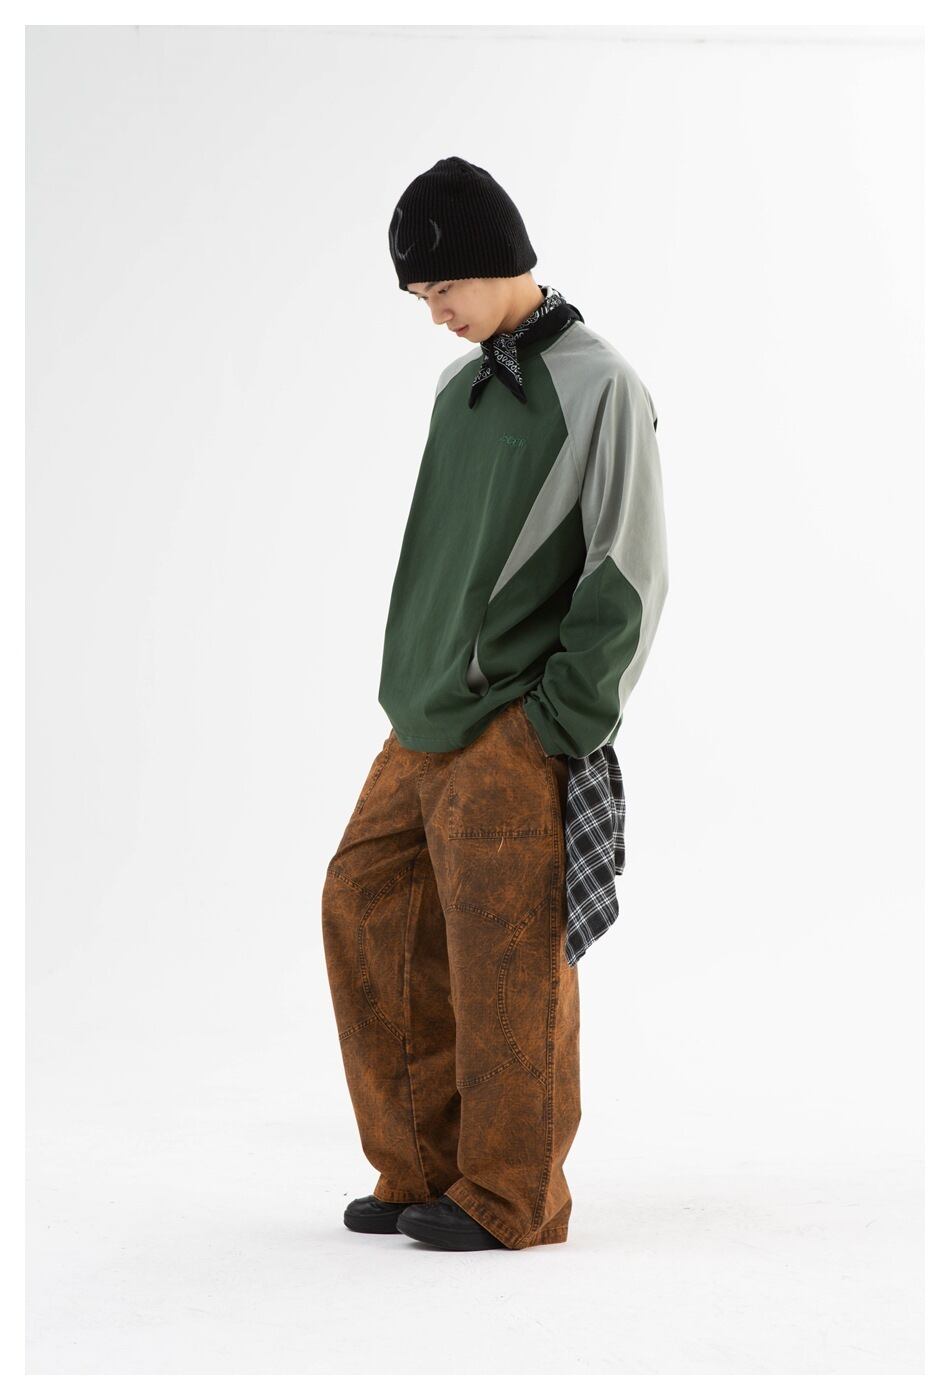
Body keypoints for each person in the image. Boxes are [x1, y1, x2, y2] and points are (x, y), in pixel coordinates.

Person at [321, 156, 670, 1251]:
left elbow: (629, 567)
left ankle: (511, 1194)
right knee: (363, 906)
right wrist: (409, 680)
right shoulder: (458, 388)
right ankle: (419, 1164)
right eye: (419, 297)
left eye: (442, 289)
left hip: (515, 722)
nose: (434, 313)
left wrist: (553, 725)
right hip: (420, 715)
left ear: (496, 261)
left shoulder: (599, 384)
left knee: (505, 950)